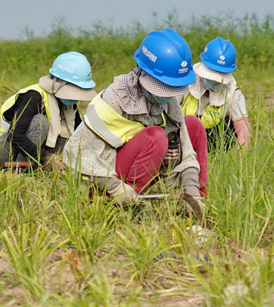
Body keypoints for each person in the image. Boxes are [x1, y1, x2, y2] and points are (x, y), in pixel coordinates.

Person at [63, 29, 207, 211]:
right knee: (156, 136)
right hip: (108, 179)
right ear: (147, 75)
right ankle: (127, 207)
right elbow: (76, 153)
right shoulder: (116, 98)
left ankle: (196, 201)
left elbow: (186, 151)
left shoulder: (168, 102)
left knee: (194, 125)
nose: (170, 95)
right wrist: (113, 186)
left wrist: (192, 190)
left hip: (149, 169)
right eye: (166, 87)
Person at [0, 51, 97, 170]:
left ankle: (37, 167)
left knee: (67, 129)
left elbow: (79, 133)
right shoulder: (34, 96)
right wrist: (46, 158)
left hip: (28, 150)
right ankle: (21, 170)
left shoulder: (68, 104)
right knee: (40, 122)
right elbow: (15, 136)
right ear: (59, 83)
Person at [180, 37, 250, 150]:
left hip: (215, 142)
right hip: (183, 136)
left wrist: (241, 155)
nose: (213, 81)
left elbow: (243, 131)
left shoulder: (235, 94)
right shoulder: (184, 83)